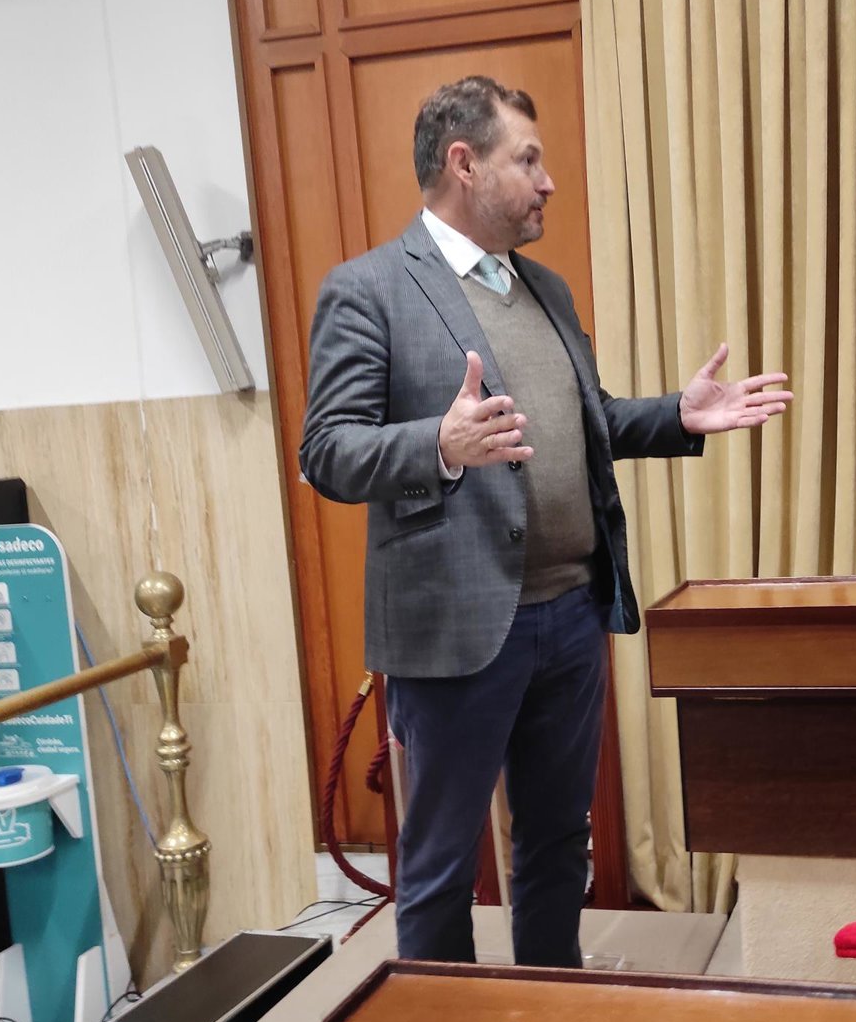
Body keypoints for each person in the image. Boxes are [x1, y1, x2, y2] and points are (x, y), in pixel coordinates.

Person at [299, 76, 792, 968]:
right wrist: (439, 442)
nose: (547, 180)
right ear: (464, 163)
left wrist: (677, 415)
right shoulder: (368, 289)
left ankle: (551, 998)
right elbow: (327, 450)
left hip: (569, 615)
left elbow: (585, 420)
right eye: (527, 159)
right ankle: (447, 1021)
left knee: (560, 839)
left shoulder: (547, 290)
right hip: (454, 629)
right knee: (442, 862)